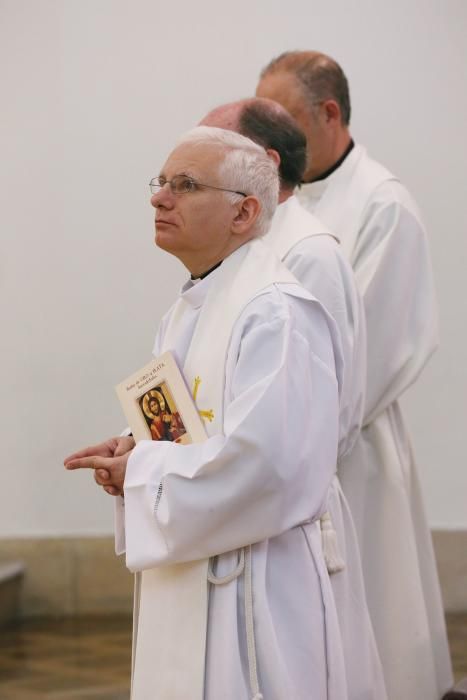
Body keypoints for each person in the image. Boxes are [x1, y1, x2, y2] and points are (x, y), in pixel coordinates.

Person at [65, 127, 352, 699]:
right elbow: (187, 423)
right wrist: (133, 447)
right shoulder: (193, 303)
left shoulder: (276, 312)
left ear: (244, 212)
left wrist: (143, 474)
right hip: (199, 564)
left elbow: (267, 464)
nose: (158, 198)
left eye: (185, 185)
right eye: (161, 182)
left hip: (251, 582)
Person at [256, 50, 453, 700]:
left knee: (370, 627)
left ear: (329, 113)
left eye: (280, 118)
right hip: (289, 445)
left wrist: (289, 427)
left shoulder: (381, 205)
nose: (268, 141)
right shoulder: (280, 200)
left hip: (349, 449)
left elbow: (369, 346)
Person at [201, 97, 386, 699]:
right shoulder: (241, 250)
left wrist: (237, 471)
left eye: (213, 146)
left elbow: (324, 405)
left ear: (265, 162)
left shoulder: (307, 251)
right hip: (236, 498)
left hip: (281, 510)